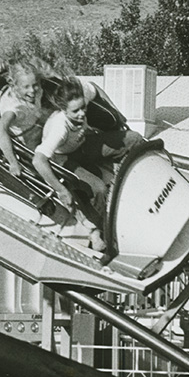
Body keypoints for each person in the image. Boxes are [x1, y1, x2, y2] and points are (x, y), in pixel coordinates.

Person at [33, 77, 144, 251]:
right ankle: (99, 228)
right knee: (99, 188)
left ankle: (141, 183)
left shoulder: (82, 96)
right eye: (75, 111)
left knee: (134, 138)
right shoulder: (59, 128)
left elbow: (96, 89)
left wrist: (117, 115)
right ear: (63, 109)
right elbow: (38, 160)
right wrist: (60, 190)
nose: (82, 113)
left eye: (83, 107)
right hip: (64, 158)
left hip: (83, 144)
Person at [0, 59, 50, 177]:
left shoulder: (34, 90)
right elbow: (0, 131)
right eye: (26, 87)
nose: (32, 90)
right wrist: (13, 162)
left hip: (38, 124)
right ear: (14, 86)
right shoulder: (13, 108)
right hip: (28, 141)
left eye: (35, 84)